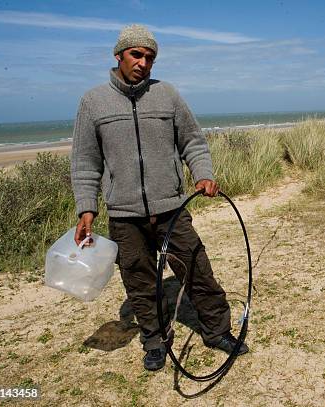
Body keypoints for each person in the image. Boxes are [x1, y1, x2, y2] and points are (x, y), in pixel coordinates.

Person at [70, 24, 248, 371]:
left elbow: (193, 141)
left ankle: (217, 331)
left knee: (196, 269)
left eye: (150, 57)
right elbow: (85, 162)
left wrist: (204, 175)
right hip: (124, 215)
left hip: (172, 208)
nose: (143, 62)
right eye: (136, 54)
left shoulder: (167, 95)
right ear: (118, 55)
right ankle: (155, 341)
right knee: (139, 282)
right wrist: (86, 209)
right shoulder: (93, 102)